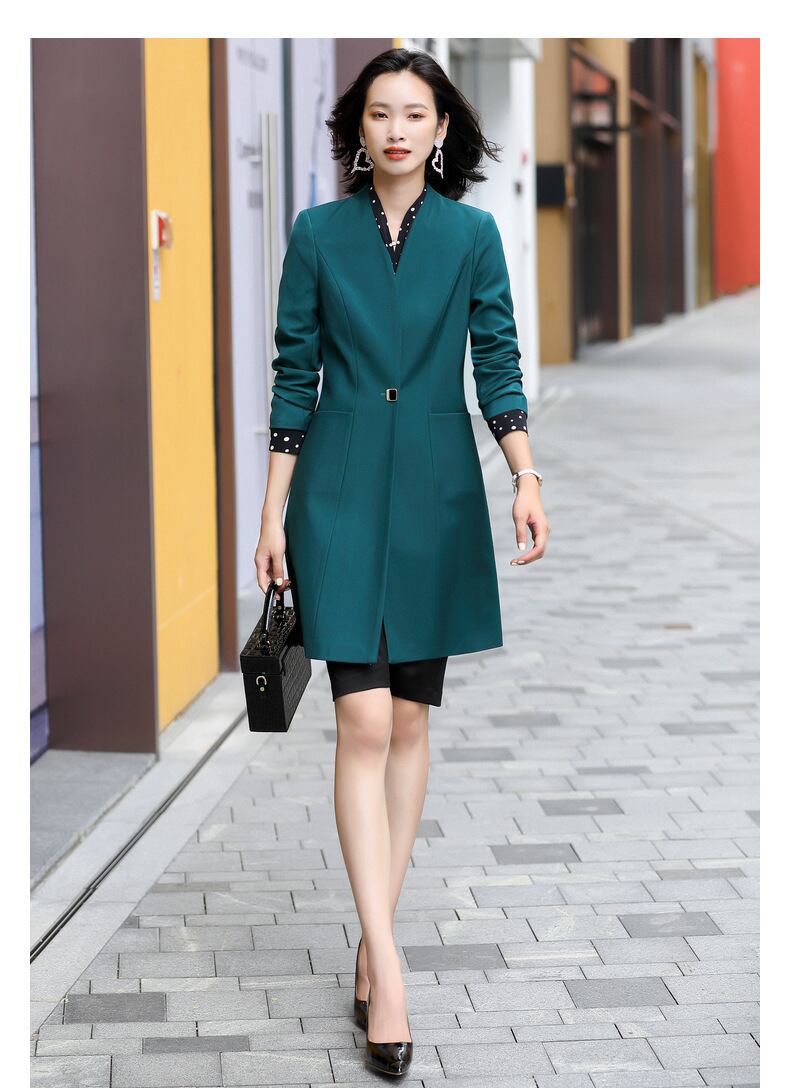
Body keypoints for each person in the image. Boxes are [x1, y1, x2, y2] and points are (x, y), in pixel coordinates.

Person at [255, 47, 550, 1077]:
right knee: (365, 720)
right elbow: (293, 375)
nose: (395, 129)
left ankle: (368, 937)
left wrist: (524, 473)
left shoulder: (472, 236)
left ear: (440, 129)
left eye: (413, 114)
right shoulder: (317, 233)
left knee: (412, 720)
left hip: (434, 495)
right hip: (336, 494)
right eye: (379, 113)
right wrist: (272, 515)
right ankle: (387, 964)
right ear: (359, 128)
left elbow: (498, 360)